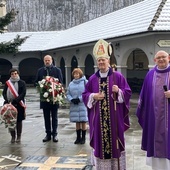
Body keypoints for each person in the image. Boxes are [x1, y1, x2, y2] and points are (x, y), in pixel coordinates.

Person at [82, 39, 132, 170]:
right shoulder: (92, 79)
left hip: (115, 119)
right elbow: (85, 94)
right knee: (100, 143)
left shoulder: (118, 77)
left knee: (115, 143)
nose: (101, 62)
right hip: (98, 120)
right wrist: (94, 96)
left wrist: (118, 92)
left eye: (103, 60)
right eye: (99, 60)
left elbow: (128, 93)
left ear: (108, 61)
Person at [136, 50, 170, 170]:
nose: (161, 59)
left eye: (163, 57)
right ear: (154, 60)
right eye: (158, 58)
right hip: (153, 119)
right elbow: (144, 96)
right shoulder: (150, 75)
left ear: (169, 58)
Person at [34, 55, 63, 143]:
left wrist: (54, 86)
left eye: (48, 60)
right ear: (44, 61)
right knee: (46, 117)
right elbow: (36, 82)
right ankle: (48, 134)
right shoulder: (40, 71)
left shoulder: (57, 70)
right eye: (45, 60)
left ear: (51, 60)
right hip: (44, 98)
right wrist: (42, 86)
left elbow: (61, 82)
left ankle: (55, 134)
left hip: (54, 97)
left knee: (54, 117)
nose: (47, 61)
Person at [2, 68, 26, 143]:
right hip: (9, 104)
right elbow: (4, 93)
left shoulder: (22, 82)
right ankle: (13, 136)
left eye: (15, 73)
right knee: (10, 120)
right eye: (12, 74)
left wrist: (16, 100)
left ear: (18, 74)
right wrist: (7, 100)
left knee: (19, 120)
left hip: (19, 104)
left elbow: (23, 93)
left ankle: (18, 136)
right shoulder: (7, 83)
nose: (14, 75)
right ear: (10, 75)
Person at [66, 68, 88, 144]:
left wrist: (79, 99)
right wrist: (71, 99)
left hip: (82, 104)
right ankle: (78, 137)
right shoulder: (71, 83)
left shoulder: (85, 82)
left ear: (80, 74)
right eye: (74, 74)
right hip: (74, 104)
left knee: (83, 121)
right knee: (77, 122)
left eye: (77, 74)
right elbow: (68, 93)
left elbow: (87, 92)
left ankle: (83, 138)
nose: (76, 75)